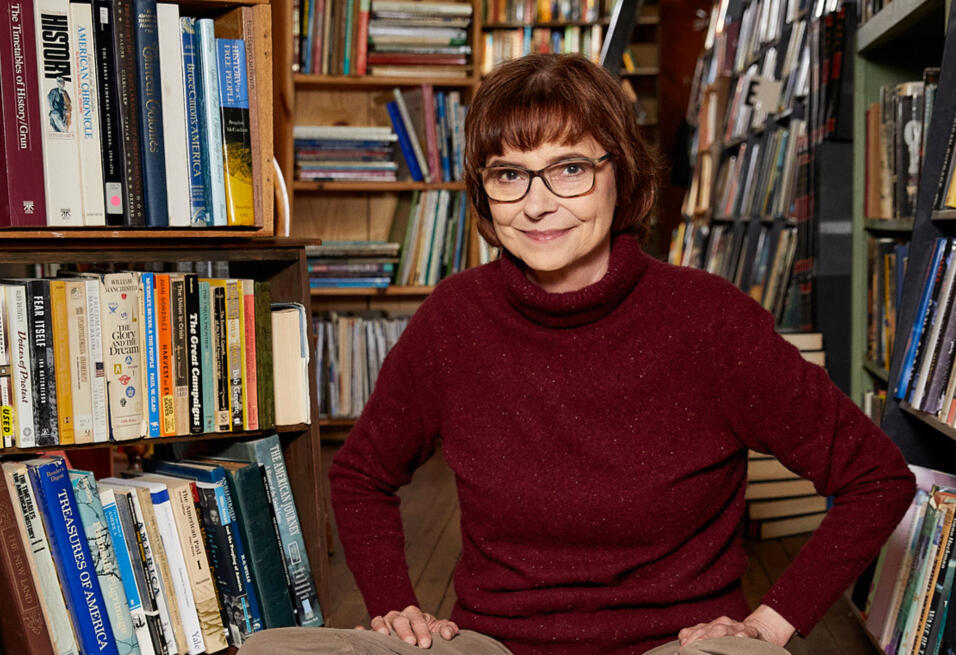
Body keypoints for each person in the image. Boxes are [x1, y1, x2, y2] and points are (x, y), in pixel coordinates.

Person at [241, 53, 915, 655]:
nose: (537, 204)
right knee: (276, 649)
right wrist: (395, 604)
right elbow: (360, 473)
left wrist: (769, 623)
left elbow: (877, 477)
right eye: (509, 174)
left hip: (679, 645)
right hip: (493, 644)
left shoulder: (709, 320)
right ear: (484, 193)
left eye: (569, 168)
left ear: (620, 175)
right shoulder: (454, 318)